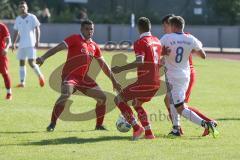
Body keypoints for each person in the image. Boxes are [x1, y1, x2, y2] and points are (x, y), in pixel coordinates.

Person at [36, 19, 121, 131]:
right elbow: (57, 48)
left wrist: (114, 81)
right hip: (70, 76)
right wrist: (43, 58)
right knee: (65, 95)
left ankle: (99, 125)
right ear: (81, 29)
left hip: (83, 78)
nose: (89, 31)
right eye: (87, 29)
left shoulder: (94, 46)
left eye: (91, 29)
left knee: (102, 98)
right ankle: (52, 124)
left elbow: (104, 66)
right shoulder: (74, 39)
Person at [160, 16, 219, 138]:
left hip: (174, 76)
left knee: (180, 108)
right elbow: (203, 55)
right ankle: (176, 129)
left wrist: (163, 53)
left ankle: (207, 124)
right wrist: (190, 50)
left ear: (173, 26)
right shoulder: (190, 38)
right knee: (171, 100)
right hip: (185, 75)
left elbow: (155, 51)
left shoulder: (167, 38)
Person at [112, 17, 162, 140]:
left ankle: (136, 128)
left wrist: (121, 69)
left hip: (145, 82)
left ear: (139, 28)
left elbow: (140, 61)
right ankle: (149, 133)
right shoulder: (157, 41)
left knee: (118, 99)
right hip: (156, 82)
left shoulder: (140, 42)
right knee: (137, 103)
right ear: (149, 27)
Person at [12, 1, 45, 88]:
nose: (22, 8)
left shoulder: (32, 17)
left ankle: (40, 76)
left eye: (24, 6)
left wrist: (37, 41)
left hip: (31, 44)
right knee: (21, 62)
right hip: (22, 44)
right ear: (18, 9)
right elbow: (16, 31)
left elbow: (37, 29)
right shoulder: (18, 19)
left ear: (27, 8)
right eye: (20, 7)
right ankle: (22, 82)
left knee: (31, 62)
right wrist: (14, 43)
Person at [0, 22, 12, 100]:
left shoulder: (2, 26)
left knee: (4, 73)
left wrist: (6, 48)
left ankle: (9, 93)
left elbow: (8, 39)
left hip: (1, 54)